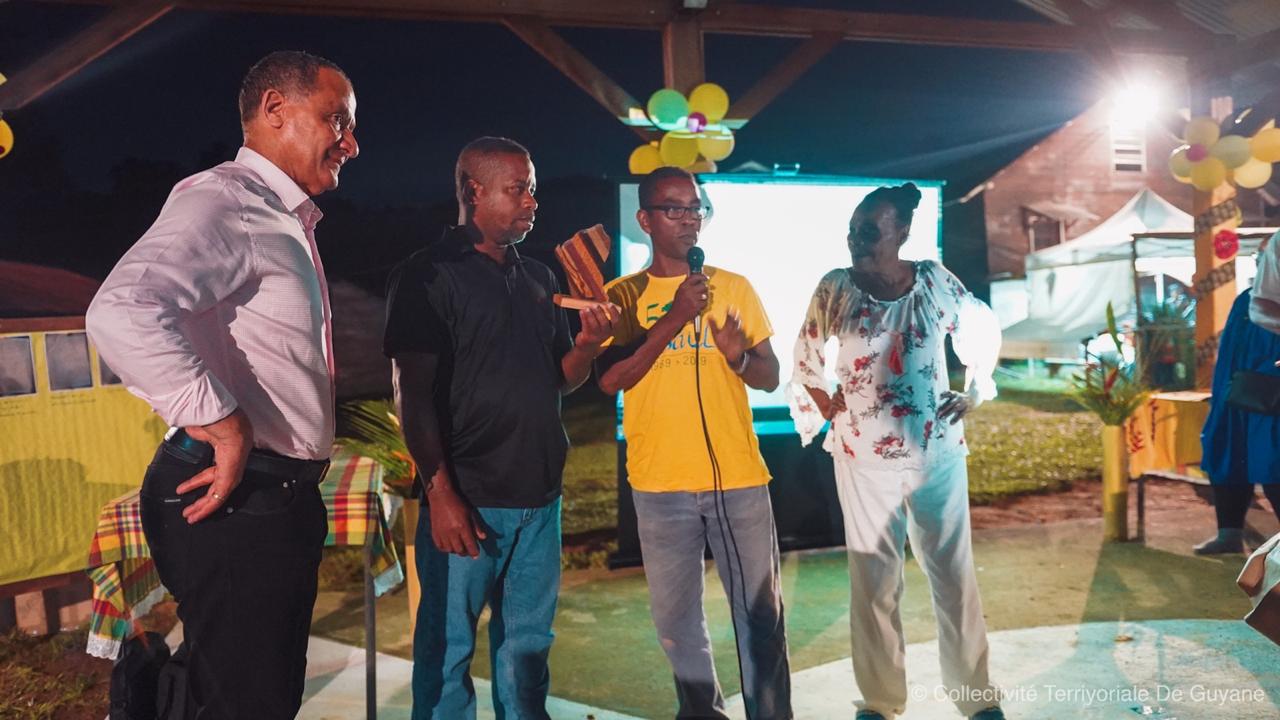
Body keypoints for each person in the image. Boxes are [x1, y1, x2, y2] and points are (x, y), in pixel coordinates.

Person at [85, 50, 359, 719]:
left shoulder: (277, 214)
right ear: (275, 110)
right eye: (337, 120)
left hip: (269, 498)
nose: (351, 143)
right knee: (247, 703)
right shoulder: (228, 201)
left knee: (251, 693)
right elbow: (121, 310)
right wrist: (224, 421)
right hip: (236, 495)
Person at [384, 137, 617, 720]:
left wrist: (588, 346)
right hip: (469, 500)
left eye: (532, 189)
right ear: (473, 191)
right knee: (446, 655)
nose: (532, 201)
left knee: (527, 651)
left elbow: (558, 381)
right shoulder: (426, 275)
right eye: (518, 189)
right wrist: (440, 494)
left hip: (540, 498)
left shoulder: (538, 276)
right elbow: (411, 394)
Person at [787, 184, 1005, 720]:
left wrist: (975, 390)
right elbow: (806, 354)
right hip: (863, 459)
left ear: (902, 232)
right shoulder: (836, 287)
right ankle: (881, 702)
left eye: (869, 231)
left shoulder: (933, 280)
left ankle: (976, 698)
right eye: (852, 230)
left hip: (938, 453)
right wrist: (824, 401)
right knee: (874, 584)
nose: (856, 240)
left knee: (954, 577)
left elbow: (978, 326)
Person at [597, 166, 792, 719]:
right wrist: (678, 314)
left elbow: (770, 376)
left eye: (695, 208)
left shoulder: (733, 287)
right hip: (660, 486)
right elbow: (611, 380)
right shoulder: (621, 296)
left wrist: (738, 357)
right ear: (645, 220)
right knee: (677, 625)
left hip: (738, 481)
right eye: (674, 209)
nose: (688, 220)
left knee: (760, 618)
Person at [1197, 243, 1280, 554]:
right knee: (1226, 457)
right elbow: (1229, 353)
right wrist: (1222, 395)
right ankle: (1229, 533)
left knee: (1273, 466)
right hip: (1237, 398)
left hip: (1271, 400)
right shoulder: (1246, 300)